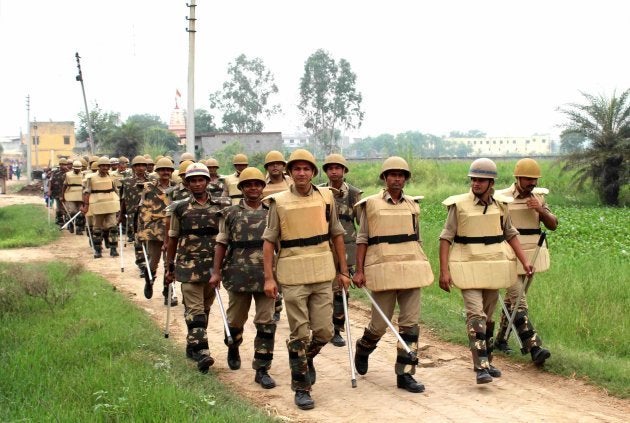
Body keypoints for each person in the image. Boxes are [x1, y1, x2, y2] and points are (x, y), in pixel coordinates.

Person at [262, 149, 351, 410]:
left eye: (306, 168)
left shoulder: (326, 197)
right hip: (292, 273)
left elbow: (337, 234)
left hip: (322, 271)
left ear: (313, 172)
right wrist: (269, 278)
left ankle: (305, 358)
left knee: (324, 331)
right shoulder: (278, 202)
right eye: (296, 169)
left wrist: (343, 271)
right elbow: (268, 242)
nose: (301, 173)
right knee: (300, 332)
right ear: (289, 173)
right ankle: (301, 387)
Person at [438, 158, 533, 384]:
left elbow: (510, 234)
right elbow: (445, 238)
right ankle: (481, 366)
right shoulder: (458, 205)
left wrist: (524, 261)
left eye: (481, 180)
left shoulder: (501, 205)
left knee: (488, 318)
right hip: (466, 265)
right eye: (474, 179)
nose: (476, 184)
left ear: (491, 183)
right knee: (476, 315)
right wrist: (444, 271)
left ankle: (487, 360)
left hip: (492, 266)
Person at [352, 156, 433, 393]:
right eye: (392, 174)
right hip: (383, 268)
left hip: (410, 268)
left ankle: (405, 374)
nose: (397, 178)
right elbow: (362, 238)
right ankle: (364, 347)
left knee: (410, 324)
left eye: (401, 175)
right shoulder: (371, 205)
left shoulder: (413, 205)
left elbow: (416, 238)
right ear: (385, 178)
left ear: (406, 179)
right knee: (379, 324)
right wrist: (359, 270)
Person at [210, 167, 277, 389]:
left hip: (267, 274)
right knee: (236, 321)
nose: (253, 188)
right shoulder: (229, 213)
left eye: (257, 184)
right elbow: (221, 243)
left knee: (266, 322)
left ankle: (262, 368)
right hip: (237, 273)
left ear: (263, 186)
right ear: (241, 188)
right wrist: (216, 271)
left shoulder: (274, 211)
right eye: (248, 184)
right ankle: (233, 344)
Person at [494, 158, 556, 364]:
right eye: (528, 179)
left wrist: (540, 209)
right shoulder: (502, 197)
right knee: (519, 299)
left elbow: (553, 224)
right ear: (518, 178)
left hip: (532, 256)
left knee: (513, 301)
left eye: (534, 179)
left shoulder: (539, 198)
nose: (532, 183)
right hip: (509, 255)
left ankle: (501, 340)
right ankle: (534, 347)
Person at [165, 163, 224, 373]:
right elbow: (172, 238)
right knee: (195, 310)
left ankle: (192, 345)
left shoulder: (221, 205)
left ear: (208, 181)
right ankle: (202, 352)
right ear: (187, 183)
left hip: (212, 266)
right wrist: (169, 266)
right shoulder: (179, 208)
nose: (197, 184)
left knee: (205, 310)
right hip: (187, 266)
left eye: (201, 180)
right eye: (193, 180)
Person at [318, 153, 363, 347]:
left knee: (341, 289)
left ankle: (337, 328)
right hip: (324, 246)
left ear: (344, 171)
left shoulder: (354, 194)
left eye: (338, 168)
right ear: (326, 171)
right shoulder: (318, 192)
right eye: (330, 168)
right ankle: (322, 325)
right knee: (324, 288)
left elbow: (361, 222)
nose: (334, 171)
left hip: (347, 245)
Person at [137, 157, 178, 305]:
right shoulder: (148, 187)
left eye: (168, 170)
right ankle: (149, 280)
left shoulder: (176, 188)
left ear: (172, 171)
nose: (165, 172)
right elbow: (142, 209)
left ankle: (168, 290)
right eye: (162, 170)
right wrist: (140, 231)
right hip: (154, 229)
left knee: (170, 262)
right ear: (157, 171)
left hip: (171, 229)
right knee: (153, 261)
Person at [261, 150, 292, 322]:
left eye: (278, 163)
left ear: (283, 166)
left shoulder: (291, 182)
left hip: (289, 230)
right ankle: (276, 302)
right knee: (272, 267)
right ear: (267, 167)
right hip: (270, 231)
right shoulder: (262, 186)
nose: (275, 167)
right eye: (271, 164)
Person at [81, 157, 120, 258]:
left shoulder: (112, 177)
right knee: (97, 229)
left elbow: (116, 191)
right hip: (97, 206)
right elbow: (86, 193)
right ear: (99, 167)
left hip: (111, 205)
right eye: (103, 166)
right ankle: (98, 250)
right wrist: (85, 206)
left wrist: (119, 204)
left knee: (113, 228)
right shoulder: (91, 178)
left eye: (107, 166)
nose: (105, 167)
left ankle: (113, 248)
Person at [119, 155, 150, 275]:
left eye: (143, 165)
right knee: (138, 239)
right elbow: (123, 200)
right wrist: (121, 215)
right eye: (138, 166)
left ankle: (149, 262)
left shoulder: (152, 180)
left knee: (149, 239)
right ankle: (142, 264)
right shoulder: (127, 182)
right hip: (134, 215)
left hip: (150, 214)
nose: (140, 168)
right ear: (133, 167)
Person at [62, 160, 86, 235]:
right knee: (72, 211)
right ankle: (71, 224)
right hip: (70, 194)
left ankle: (79, 228)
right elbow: (64, 185)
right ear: (73, 168)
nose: (77, 169)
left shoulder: (84, 175)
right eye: (76, 168)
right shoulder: (68, 175)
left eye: (79, 168)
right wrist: (62, 195)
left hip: (80, 194)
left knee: (80, 212)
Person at [49, 158, 69, 226]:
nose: (63, 166)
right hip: (57, 192)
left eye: (65, 164)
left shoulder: (69, 173)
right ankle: (60, 220)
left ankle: (67, 220)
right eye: (62, 164)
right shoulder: (55, 172)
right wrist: (49, 191)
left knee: (66, 208)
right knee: (59, 207)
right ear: (59, 165)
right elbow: (51, 182)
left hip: (67, 193)